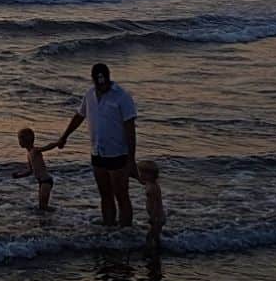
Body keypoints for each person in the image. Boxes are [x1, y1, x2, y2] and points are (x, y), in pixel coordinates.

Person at [51, 62, 138, 227]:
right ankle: (109, 227)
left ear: (108, 78)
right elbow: (79, 116)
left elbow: (130, 129)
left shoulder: (122, 96)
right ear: (93, 80)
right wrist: (64, 136)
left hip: (117, 153)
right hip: (97, 152)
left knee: (121, 194)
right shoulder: (89, 94)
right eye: (99, 82)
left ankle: (126, 233)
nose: (102, 85)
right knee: (105, 194)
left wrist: (131, 159)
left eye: (104, 82)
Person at [12, 126, 54, 210]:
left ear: (25, 140)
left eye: (20, 139)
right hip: (41, 182)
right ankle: (48, 219)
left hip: (46, 181)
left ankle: (57, 216)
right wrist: (19, 175)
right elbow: (30, 170)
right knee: (41, 206)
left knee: (43, 206)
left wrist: (58, 143)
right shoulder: (29, 154)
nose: (19, 142)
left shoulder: (34, 151)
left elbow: (47, 147)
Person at [137, 158, 165, 253]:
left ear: (152, 175)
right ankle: (158, 248)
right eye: (140, 172)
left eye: (144, 173)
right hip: (157, 216)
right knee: (155, 235)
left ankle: (151, 251)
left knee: (150, 236)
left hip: (157, 216)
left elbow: (156, 204)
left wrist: (153, 217)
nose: (141, 175)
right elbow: (141, 181)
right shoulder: (149, 183)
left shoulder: (153, 188)